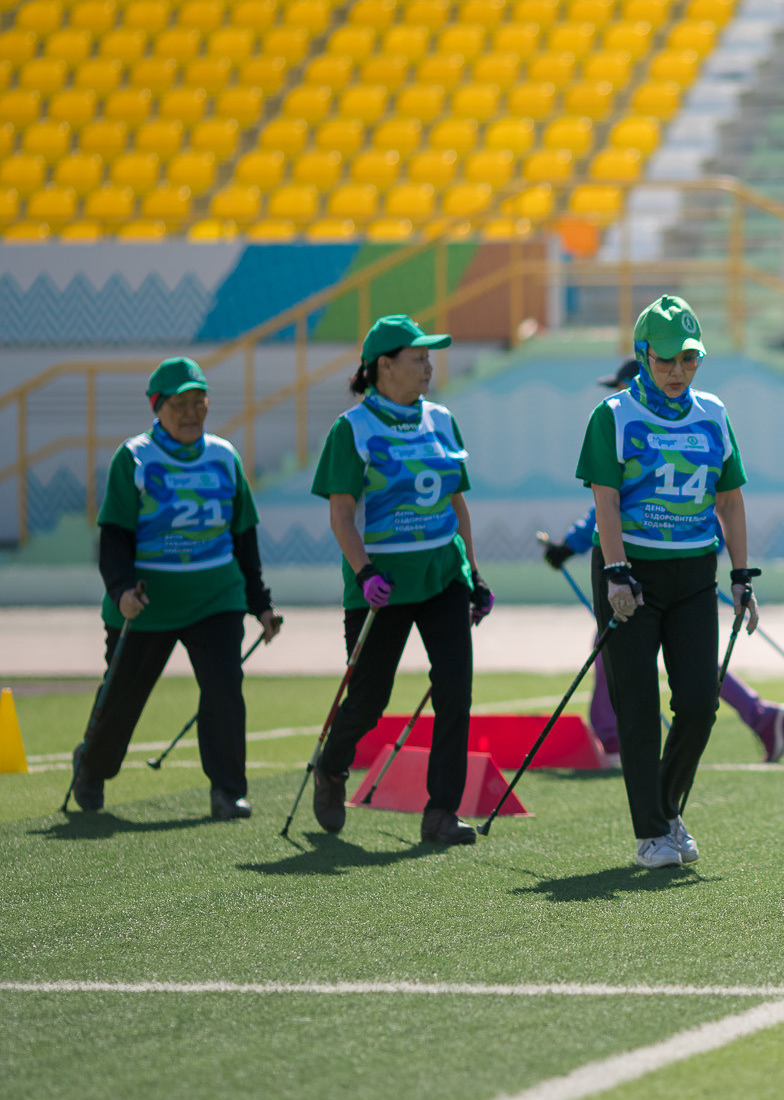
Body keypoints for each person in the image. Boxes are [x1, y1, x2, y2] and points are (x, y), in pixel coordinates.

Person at [576, 295, 758, 868]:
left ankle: (666, 806)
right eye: (666, 360)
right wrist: (615, 573)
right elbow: (605, 502)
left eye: (689, 359)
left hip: (694, 572)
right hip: (630, 572)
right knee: (636, 705)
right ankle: (651, 833)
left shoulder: (713, 412)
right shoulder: (613, 415)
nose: (678, 372)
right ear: (642, 355)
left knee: (700, 704)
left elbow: (728, 500)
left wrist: (742, 576)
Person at [545, 358, 784, 765]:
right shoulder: (653, 420)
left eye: (620, 385)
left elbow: (609, 508)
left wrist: (568, 546)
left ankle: (612, 738)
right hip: (690, 549)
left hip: (665, 553)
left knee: (637, 649)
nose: (615, 394)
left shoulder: (637, 420)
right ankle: (757, 714)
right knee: (682, 657)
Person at [70, 358, 281, 819]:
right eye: (179, 404)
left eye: (198, 402)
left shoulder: (224, 456)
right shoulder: (136, 457)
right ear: (157, 407)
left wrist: (260, 606)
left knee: (224, 688)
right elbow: (114, 535)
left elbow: (244, 537)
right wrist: (122, 590)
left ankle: (228, 789)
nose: (191, 413)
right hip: (147, 601)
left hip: (216, 597)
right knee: (123, 696)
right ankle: (92, 766)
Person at [310, 314, 492, 846]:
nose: (428, 366)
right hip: (380, 589)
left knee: (455, 695)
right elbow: (342, 513)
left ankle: (440, 813)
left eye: (428, 357)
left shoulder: (441, 420)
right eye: (418, 357)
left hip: (442, 578)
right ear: (383, 366)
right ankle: (332, 766)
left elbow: (456, 502)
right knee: (368, 702)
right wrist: (364, 572)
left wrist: (474, 574)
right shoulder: (352, 429)